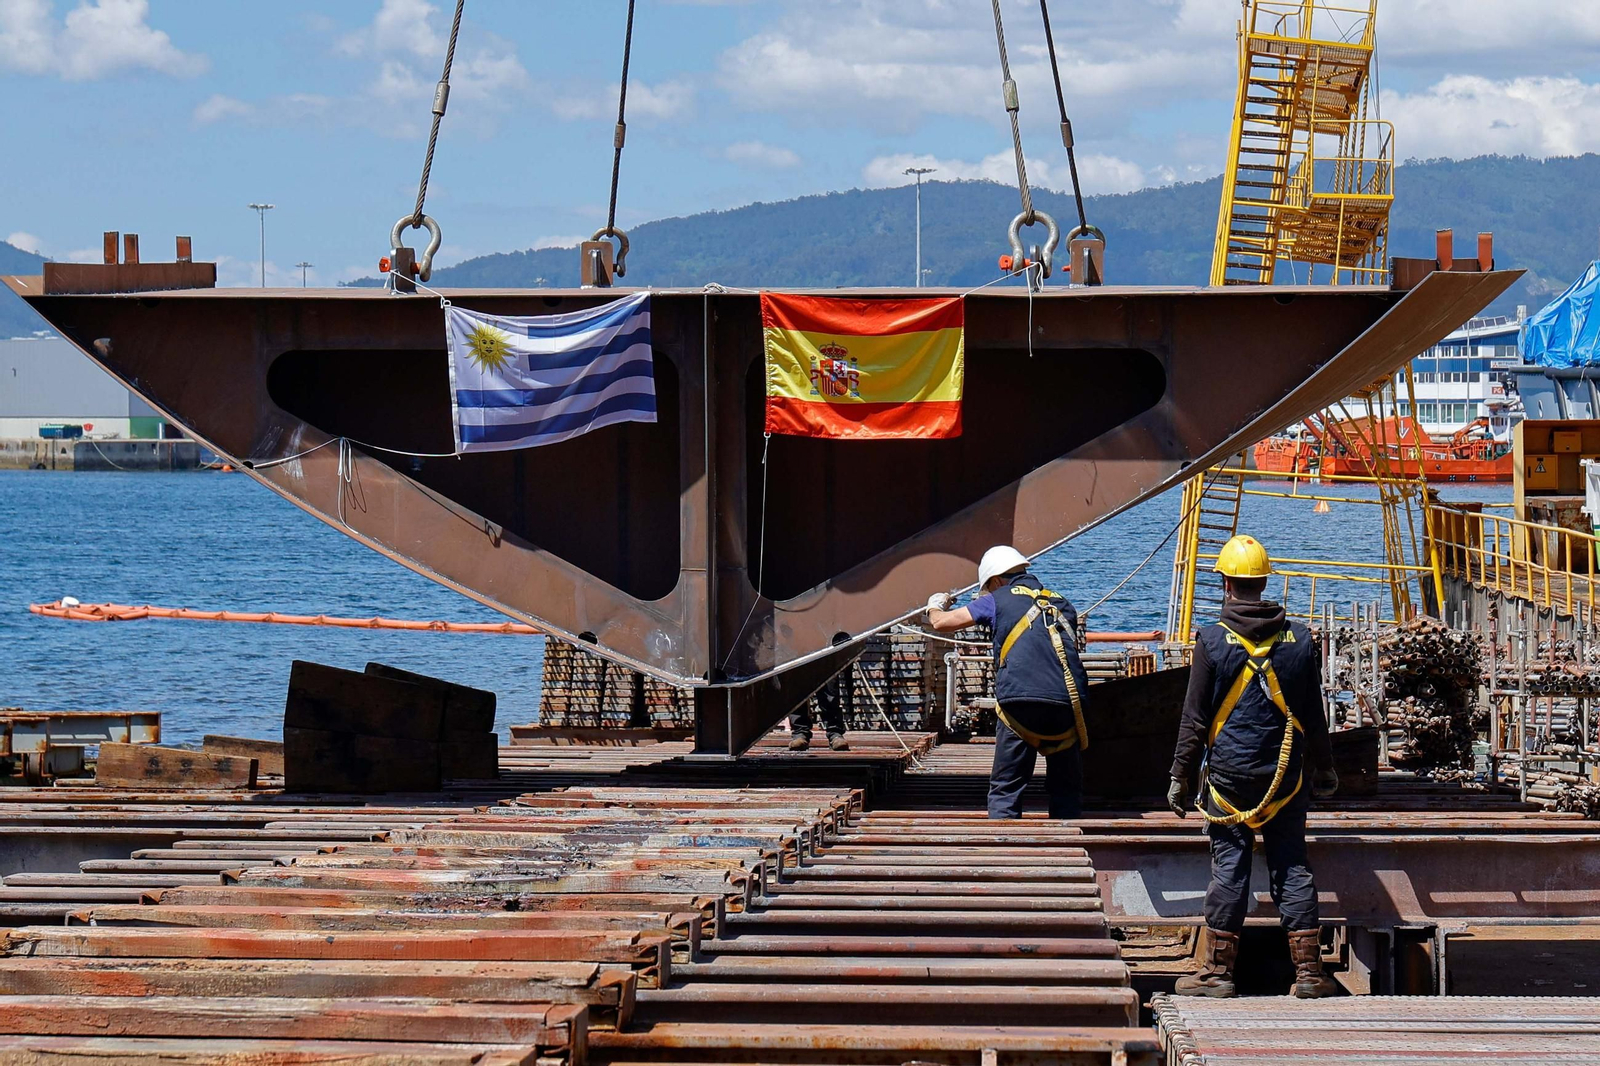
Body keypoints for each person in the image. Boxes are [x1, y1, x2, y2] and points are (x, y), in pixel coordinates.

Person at [1167, 534, 1339, 999]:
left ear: (1225, 584)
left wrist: (1180, 776)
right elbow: (1313, 715)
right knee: (1291, 866)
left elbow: (1195, 717)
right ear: (1264, 583)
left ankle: (1218, 975)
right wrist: (1324, 768)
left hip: (1229, 781)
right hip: (1284, 780)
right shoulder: (1300, 641)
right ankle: (1308, 974)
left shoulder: (1211, 640)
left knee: (1229, 870)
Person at [925, 546, 1089, 819]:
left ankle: (1003, 841)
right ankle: (1066, 840)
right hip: (1068, 705)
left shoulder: (998, 598)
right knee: (1066, 789)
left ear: (996, 580)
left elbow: (942, 623)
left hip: (1020, 704)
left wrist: (935, 605)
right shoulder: (1061, 602)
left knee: (1006, 788)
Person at [789, 633, 851, 751]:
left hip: (825, 635)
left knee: (829, 689)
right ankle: (800, 732)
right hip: (797, 636)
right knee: (798, 685)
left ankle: (835, 733)